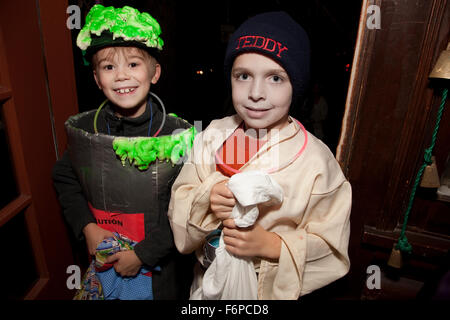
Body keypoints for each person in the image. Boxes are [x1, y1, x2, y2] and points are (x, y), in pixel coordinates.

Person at [168, 11, 351, 300]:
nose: (255, 93)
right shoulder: (213, 136)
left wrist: (271, 245)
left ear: (297, 86)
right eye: (243, 76)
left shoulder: (316, 162)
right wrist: (208, 196)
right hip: (207, 283)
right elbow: (180, 203)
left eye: (275, 78)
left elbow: (332, 246)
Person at [52, 4, 195, 300]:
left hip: (159, 270)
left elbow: (186, 206)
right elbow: (65, 176)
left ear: (154, 73)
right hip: (103, 263)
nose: (121, 76)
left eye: (133, 64)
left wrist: (143, 255)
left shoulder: (176, 135)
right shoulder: (88, 130)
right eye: (108, 67)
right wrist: (86, 226)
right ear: (96, 78)